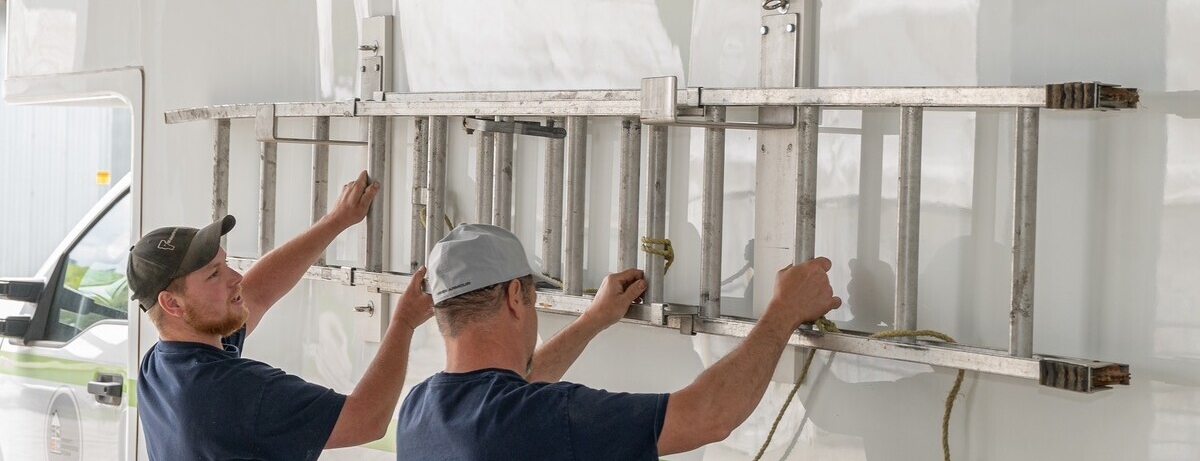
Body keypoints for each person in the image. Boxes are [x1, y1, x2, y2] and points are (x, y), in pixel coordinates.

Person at [395, 224, 841, 460]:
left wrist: (593, 320)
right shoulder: (543, 418)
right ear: (516, 297)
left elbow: (517, 383)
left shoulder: (419, 413)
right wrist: (783, 311)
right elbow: (709, 416)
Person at [130, 171, 433, 460]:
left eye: (225, 264)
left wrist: (336, 221)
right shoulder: (231, 389)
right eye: (213, 275)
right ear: (172, 304)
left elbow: (258, 293)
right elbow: (366, 420)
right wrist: (404, 322)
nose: (236, 277)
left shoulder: (161, 364)